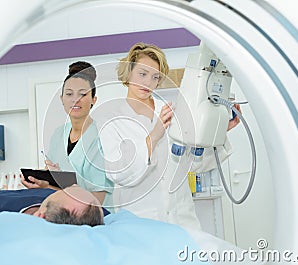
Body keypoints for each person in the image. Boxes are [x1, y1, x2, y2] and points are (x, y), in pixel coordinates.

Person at [94, 42, 241, 230]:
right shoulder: (112, 120)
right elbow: (119, 173)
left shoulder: (172, 112)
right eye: (142, 74)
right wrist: (154, 136)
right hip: (141, 222)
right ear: (128, 73)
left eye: (155, 77)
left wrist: (216, 133)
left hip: (182, 218)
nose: (148, 82)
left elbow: (195, 164)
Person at [22, 61, 114, 212]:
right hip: (63, 213)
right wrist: (44, 185)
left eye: (83, 94)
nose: (75, 99)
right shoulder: (58, 135)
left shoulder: (103, 136)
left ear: (93, 100)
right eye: (69, 94)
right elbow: (58, 187)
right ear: (62, 99)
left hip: (96, 216)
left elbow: (98, 198)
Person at [0, 185, 107, 232]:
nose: (72, 185)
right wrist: (47, 186)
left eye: (64, 190)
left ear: (41, 216)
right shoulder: (90, 211)